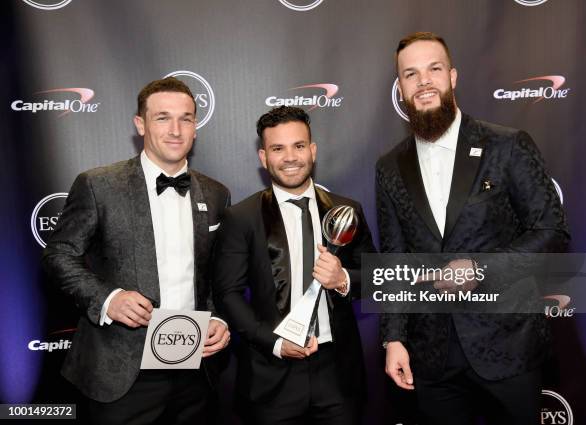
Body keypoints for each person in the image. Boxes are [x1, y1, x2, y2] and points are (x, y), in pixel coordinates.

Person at [377, 32, 570, 425]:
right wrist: (393, 337)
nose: (424, 81)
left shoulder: (507, 145)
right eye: (411, 74)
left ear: (453, 76)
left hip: (509, 346)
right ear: (400, 88)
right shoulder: (389, 166)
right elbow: (395, 258)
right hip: (431, 356)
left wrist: (481, 268)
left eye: (434, 69)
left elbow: (552, 231)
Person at [42, 77, 231, 425]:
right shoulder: (99, 184)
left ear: (195, 127)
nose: (175, 130)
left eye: (186, 118)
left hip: (194, 370)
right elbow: (58, 255)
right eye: (162, 117)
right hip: (121, 373)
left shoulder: (216, 193)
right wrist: (108, 298)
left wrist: (217, 317)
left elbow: (216, 275)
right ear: (140, 124)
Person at [213, 106, 375, 425]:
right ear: (264, 157)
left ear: (312, 151)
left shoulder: (346, 211)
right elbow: (228, 295)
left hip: (338, 376)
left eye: (299, 146)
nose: (290, 157)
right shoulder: (241, 218)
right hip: (270, 377)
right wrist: (275, 343)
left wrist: (342, 278)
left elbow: (375, 278)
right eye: (278, 148)